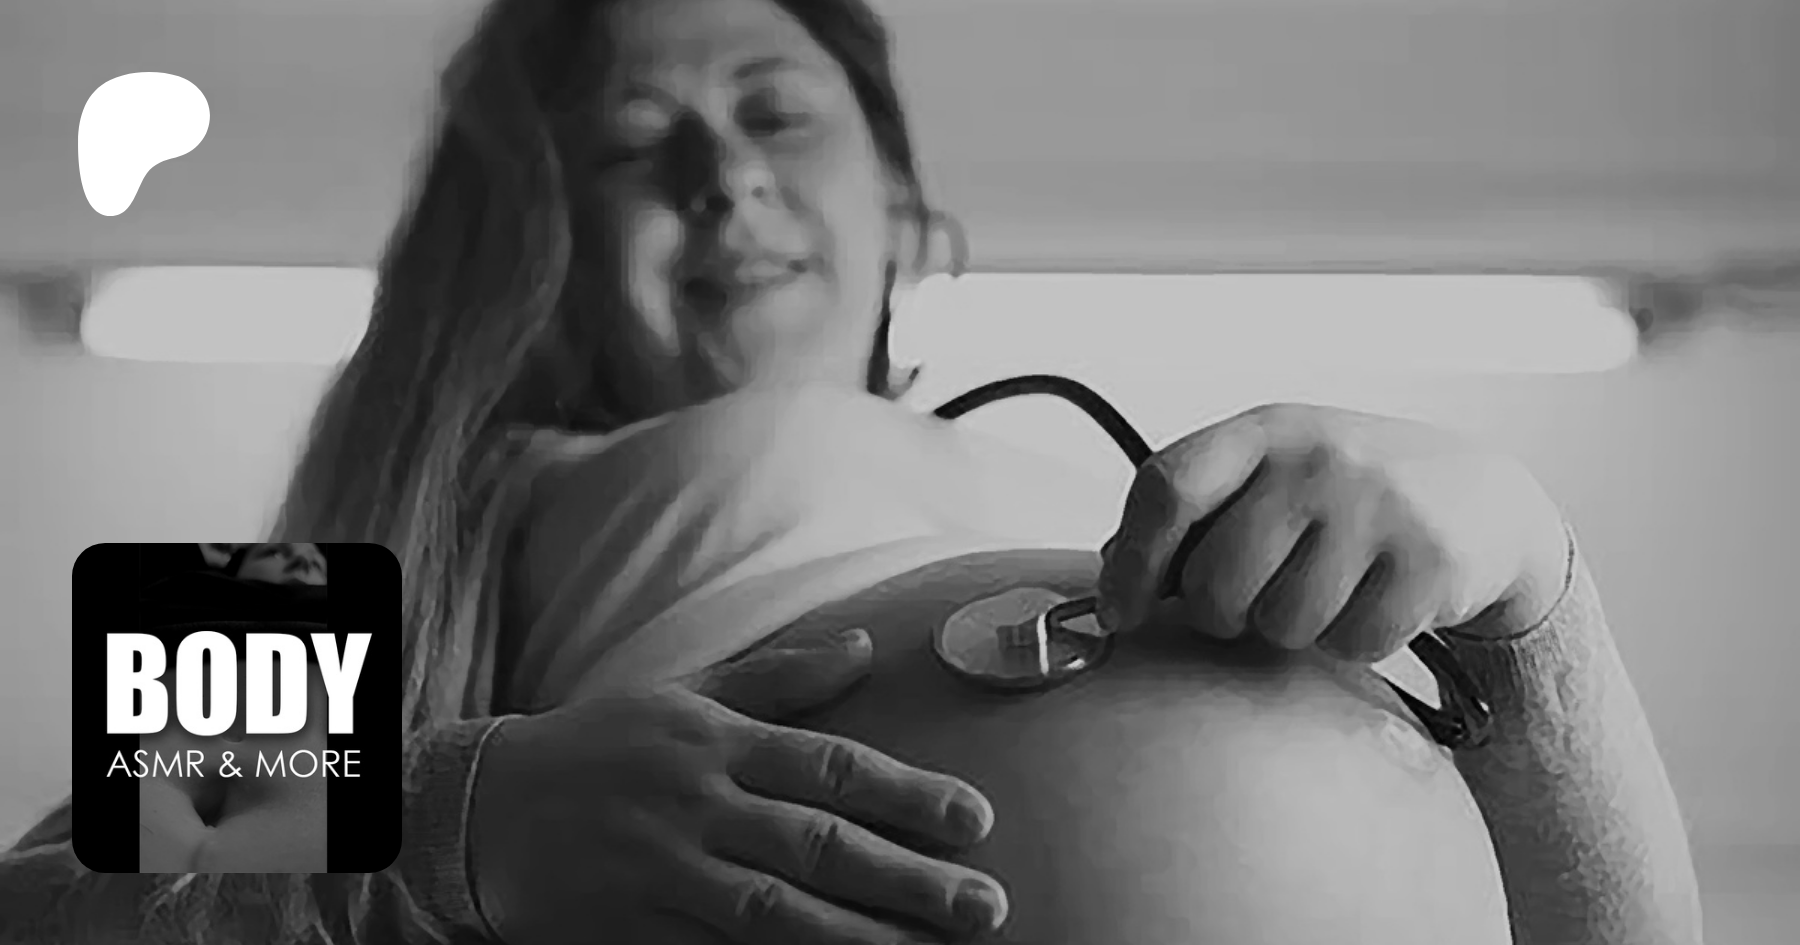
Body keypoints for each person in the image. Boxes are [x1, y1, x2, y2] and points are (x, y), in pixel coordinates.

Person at [0, 0, 1705, 943]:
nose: (725, 175)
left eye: (777, 112)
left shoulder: (1079, 470)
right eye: (632, 145)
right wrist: (476, 813)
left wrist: (1533, 595)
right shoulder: (442, 500)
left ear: (893, 197)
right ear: (519, 240)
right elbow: (47, 901)